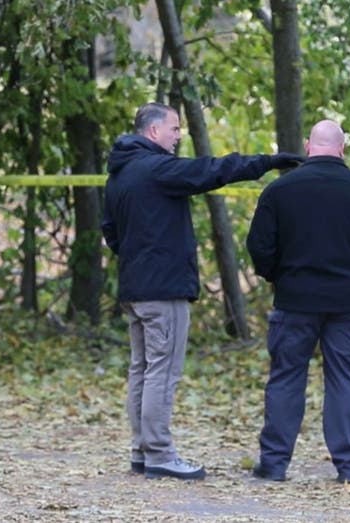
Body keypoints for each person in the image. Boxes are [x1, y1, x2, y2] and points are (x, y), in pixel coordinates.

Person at [102, 102, 302, 480]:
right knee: (162, 372)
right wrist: (266, 162)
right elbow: (212, 170)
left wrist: (140, 256)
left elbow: (111, 232)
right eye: (175, 129)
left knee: (142, 370)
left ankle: (142, 450)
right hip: (162, 290)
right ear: (153, 131)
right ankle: (159, 453)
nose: (179, 136)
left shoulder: (120, 174)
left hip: (135, 288)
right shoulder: (158, 168)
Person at [246, 120, 350, 483]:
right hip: (349, 301)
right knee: (345, 378)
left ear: (307, 146)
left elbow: (259, 246)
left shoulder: (279, 191)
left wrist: (277, 276)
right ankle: (348, 467)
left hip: (295, 299)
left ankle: (274, 464)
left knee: (286, 377)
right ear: (342, 148)